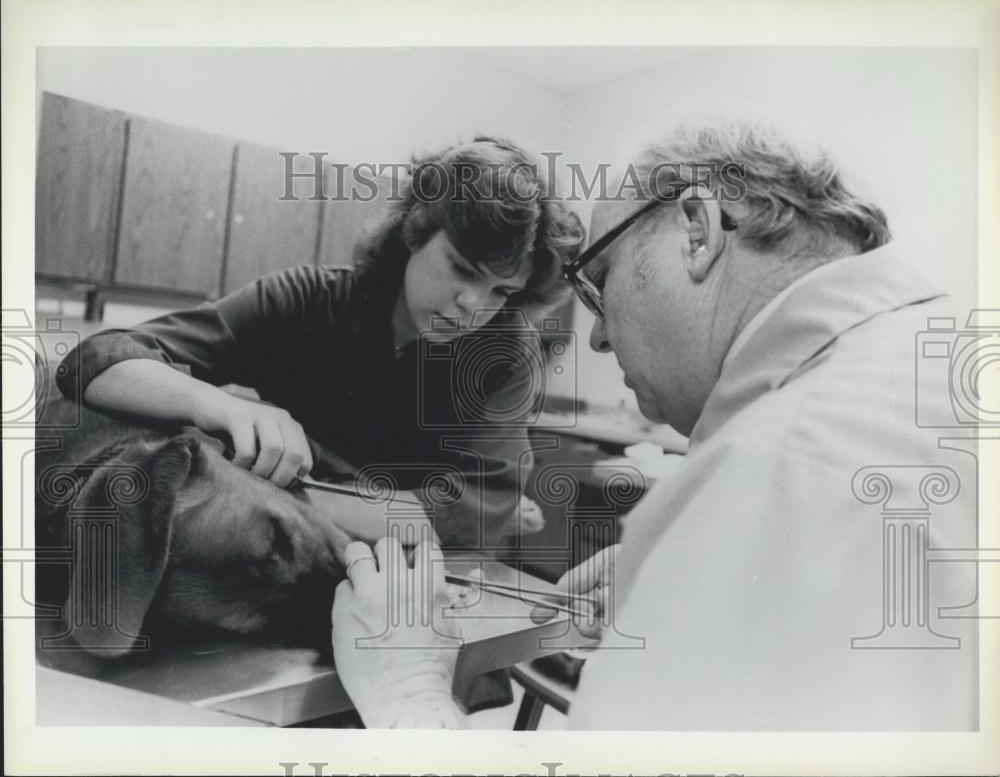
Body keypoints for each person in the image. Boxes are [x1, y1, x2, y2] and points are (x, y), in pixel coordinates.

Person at [330, 121, 978, 730]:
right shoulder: (927, 365)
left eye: (599, 284)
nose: (603, 336)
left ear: (697, 232)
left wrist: (407, 691)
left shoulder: (787, 469)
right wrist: (705, 583)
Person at [57, 136, 585, 549]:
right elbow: (96, 361)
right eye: (462, 269)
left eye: (502, 290)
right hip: (282, 559)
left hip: (410, 583)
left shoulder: (506, 349)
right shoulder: (305, 300)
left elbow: (474, 509)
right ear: (415, 231)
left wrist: (268, 492)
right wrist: (218, 406)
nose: (475, 305)